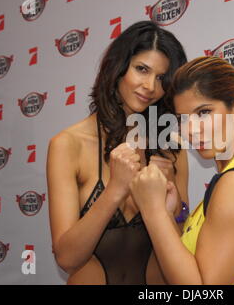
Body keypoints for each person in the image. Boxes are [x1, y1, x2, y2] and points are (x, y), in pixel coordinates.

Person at [130, 56, 234, 285]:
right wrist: (168, 215)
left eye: (204, 112)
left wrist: (152, 210)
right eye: (182, 118)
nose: (192, 130)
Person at [46, 21, 189, 285]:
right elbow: (66, 259)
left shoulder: (171, 148)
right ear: (118, 67)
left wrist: (175, 207)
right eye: (141, 69)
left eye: (161, 78)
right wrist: (115, 190)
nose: (150, 86)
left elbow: (181, 245)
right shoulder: (68, 144)